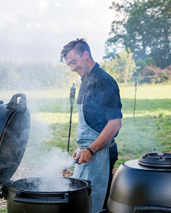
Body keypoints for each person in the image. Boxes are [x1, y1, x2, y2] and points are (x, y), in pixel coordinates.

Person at [60, 38, 122, 213]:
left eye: (74, 62)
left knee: (96, 204)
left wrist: (91, 150)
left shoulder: (104, 82)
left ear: (86, 55)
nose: (72, 68)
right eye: (69, 65)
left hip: (100, 154)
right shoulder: (86, 79)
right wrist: (81, 147)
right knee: (81, 203)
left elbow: (115, 124)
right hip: (87, 152)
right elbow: (90, 119)